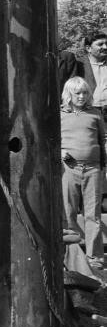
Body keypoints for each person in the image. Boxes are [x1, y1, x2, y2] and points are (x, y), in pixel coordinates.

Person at [61, 76, 107, 266]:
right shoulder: (60, 114)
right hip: (68, 168)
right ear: (69, 94)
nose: (81, 96)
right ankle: (72, 254)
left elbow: (101, 140)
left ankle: (95, 257)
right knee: (68, 212)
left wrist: (103, 168)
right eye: (77, 93)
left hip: (93, 168)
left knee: (93, 214)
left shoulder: (95, 114)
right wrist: (60, 151)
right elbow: (51, 140)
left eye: (85, 92)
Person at [78, 31, 107, 121]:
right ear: (88, 48)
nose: (105, 47)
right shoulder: (79, 65)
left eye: (106, 43)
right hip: (87, 112)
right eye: (100, 44)